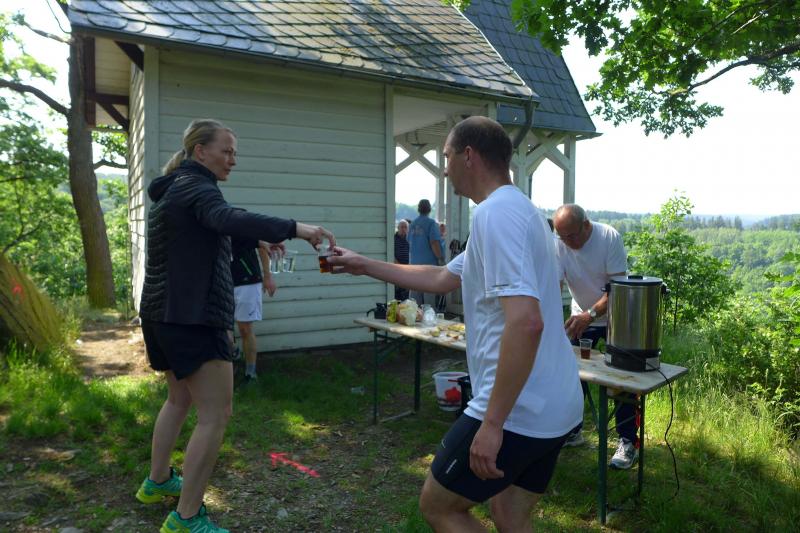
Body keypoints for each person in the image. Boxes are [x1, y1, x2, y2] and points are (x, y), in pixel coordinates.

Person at [329, 116, 583, 532]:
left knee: (439, 505)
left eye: (446, 156)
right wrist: (363, 264)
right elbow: (443, 277)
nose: (445, 169)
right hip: (557, 403)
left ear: (468, 156)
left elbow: (527, 323)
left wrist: (492, 424)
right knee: (509, 514)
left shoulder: (495, 215)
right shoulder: (519, 211)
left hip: (519, 409)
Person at [136, 118, 335, 533]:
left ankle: (158, 481)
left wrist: (257, 240)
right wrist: (295, 229)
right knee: (216, 414)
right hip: (192, 317)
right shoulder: (197, 187)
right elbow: (224, 216)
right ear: (200, 151)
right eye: (226, 151)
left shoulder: (174, 189)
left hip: (161, 314)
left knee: (178, 399)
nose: (233, 160)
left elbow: (210, 229)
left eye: (234, 152)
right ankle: (186, 517)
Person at [553, 204, 639, 469]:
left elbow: (617, 289)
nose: (568, 242)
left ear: (586, 225)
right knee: (569, 372)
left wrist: (590, 315)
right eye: (562, 237)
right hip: (580, 316)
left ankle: (627, 441)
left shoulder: (608, 237)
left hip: (615, 317)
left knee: (622, 379)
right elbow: (554, 284)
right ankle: (572, 429)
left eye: (572, 236)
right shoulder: (560, 244)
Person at [231, 238, 280, 383]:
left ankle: (250, 374)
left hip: (248, 280)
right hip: (222, 280)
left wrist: (268, 276)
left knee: (245, 329)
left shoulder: (246, 225)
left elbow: (262, 246)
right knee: (221, 330)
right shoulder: (215, 224)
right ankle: (233, 354)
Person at [408, 198, 443, 306]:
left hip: (414, 265)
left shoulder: (412, 224)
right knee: (429, 298)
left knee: (414, 299)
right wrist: (440, 258)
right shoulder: (431, 223)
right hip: (428, 266)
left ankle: (413, 315)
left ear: (418, 209)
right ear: (429, 209)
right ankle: (429, 315)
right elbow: (434, 243)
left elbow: (409, 241)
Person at [393, 219, 410, 301]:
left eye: (405, 227)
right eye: (402, 227)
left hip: (409, 268)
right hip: (396, 267)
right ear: (398, 228)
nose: (403, 229)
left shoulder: (409, 238)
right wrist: (399, 265)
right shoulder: (393, 238)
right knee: (397, 291)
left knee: (407, 290)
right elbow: (391, 254)